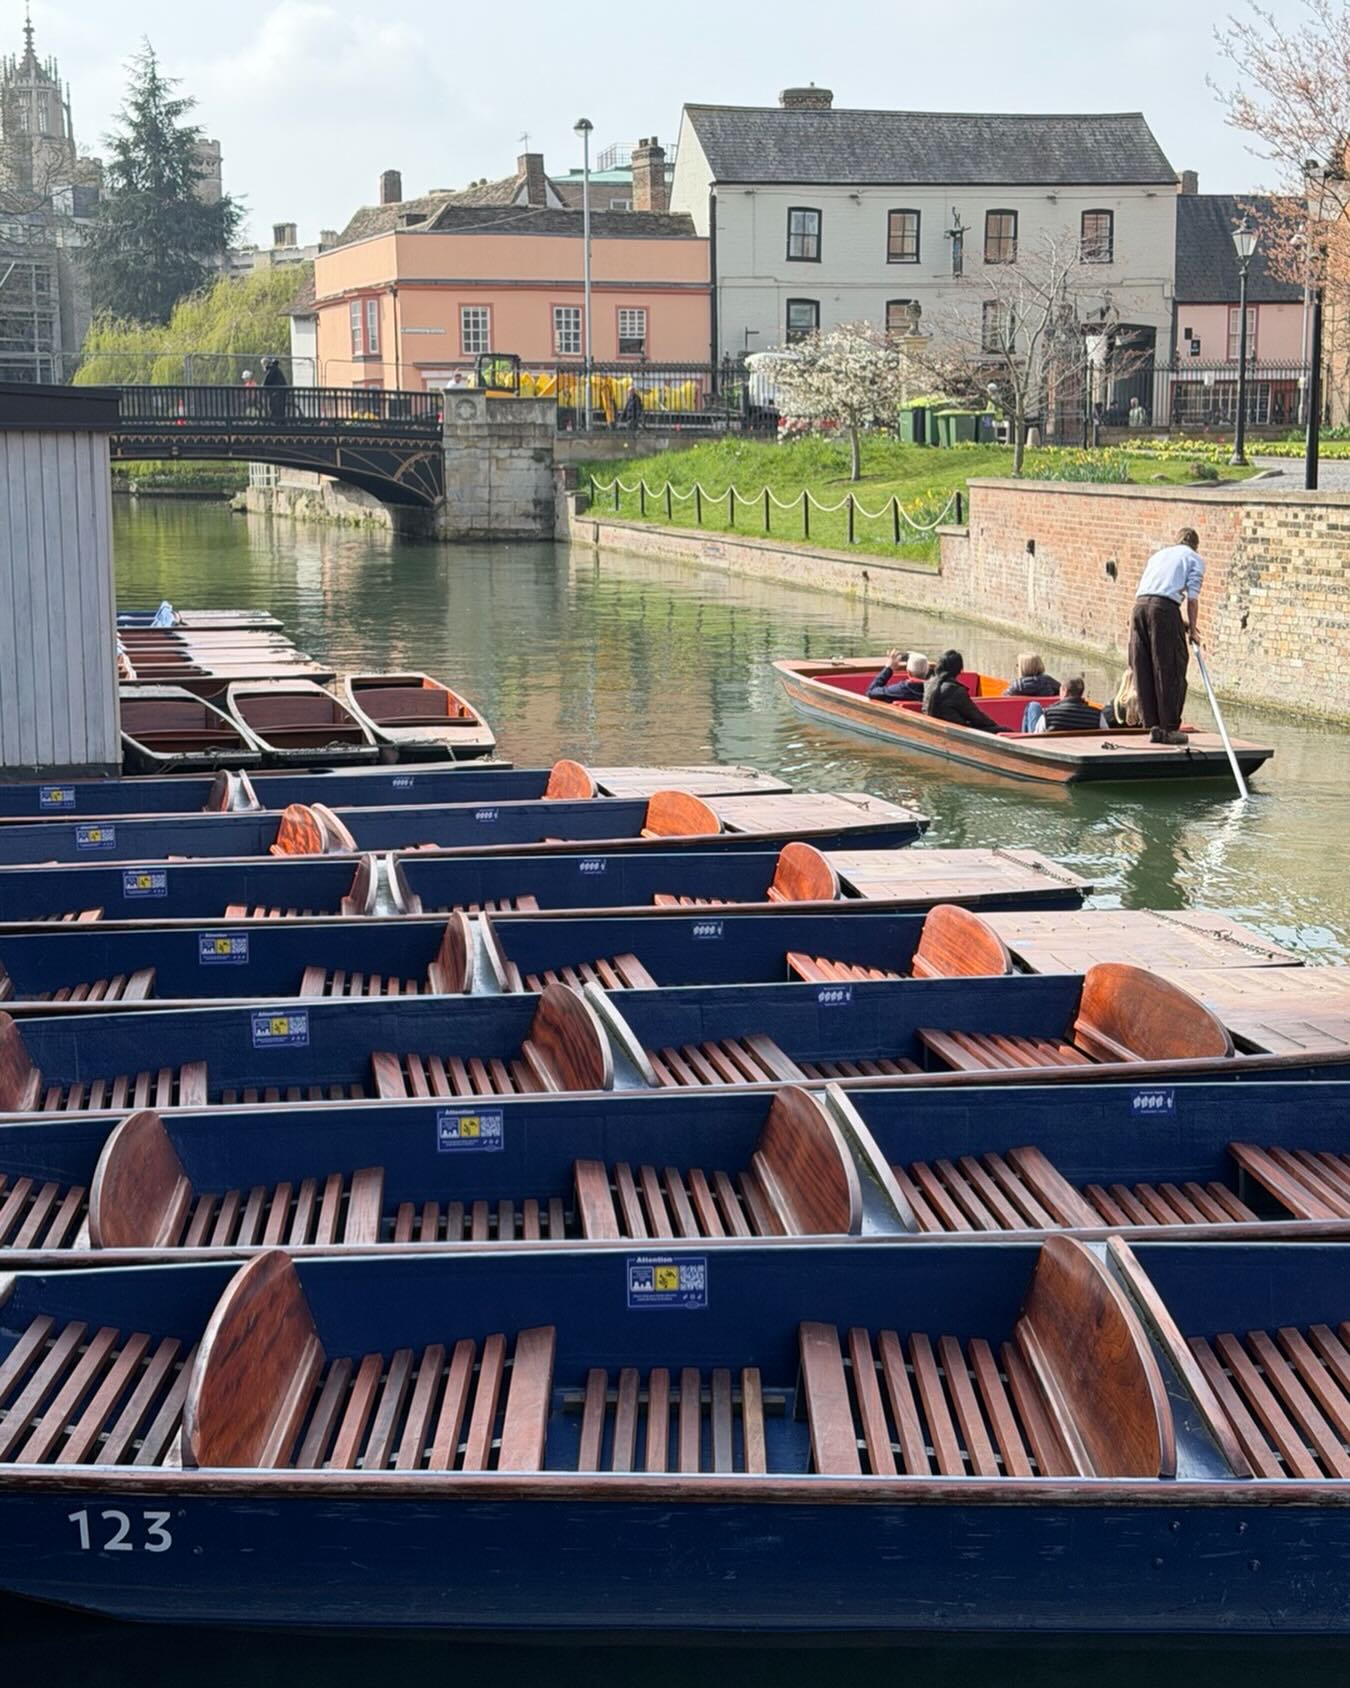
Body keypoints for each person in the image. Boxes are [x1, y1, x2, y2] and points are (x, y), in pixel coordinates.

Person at [1130, 526, 1203, 743]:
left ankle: (1153, 726)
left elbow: (1153, 596)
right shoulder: (1194, 559)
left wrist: (1180, 623)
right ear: (1195, 545)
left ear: (1177, 540)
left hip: (1139, 609)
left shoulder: (1159, 555)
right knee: (1171, 666)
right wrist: (1194, 630)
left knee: (1143, 667)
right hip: (1163, 610)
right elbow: (1192, 598)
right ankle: (1170, 729)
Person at [923, 649, 1003, 734]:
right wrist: (996, 726)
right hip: (955, 733)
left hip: (936, 729)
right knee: (1004, 730)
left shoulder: (928, 684)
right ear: (959, 669)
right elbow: (975, 716)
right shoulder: (956, 691)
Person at [1034, 675, 1102, 734]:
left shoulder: (1048, 715)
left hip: (1055, 747)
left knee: (1034, 706)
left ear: (1064, 690)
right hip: (1086, 748)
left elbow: (1035, 738)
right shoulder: (1097, 715)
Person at [261, 355, 289, 420]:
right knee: (280, 406)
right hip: (281, 391)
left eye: (263, 365)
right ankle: (280, 420)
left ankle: (276, 420)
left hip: (277, 392)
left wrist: (263, 386)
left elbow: (266, 381)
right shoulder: (275, 369)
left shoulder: (271, 370)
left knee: (275, 406)